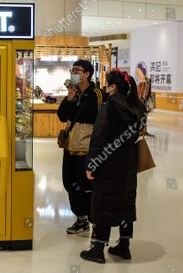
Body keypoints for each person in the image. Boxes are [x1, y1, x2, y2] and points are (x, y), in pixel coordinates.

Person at [80, 70, 146, 264]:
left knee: (103, 202)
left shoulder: (108, 108)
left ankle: (98, 249)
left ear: (113, 86)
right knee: (126, 201)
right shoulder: (137, 107)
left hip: (108, 163)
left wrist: (91, 164)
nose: (106, 87)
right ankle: (124, 247)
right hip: (128, 163)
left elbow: (98, 139)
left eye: (108, 84)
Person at [57, 60, 104, 235]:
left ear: (87, 74)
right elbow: (61, 116)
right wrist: (69, 98)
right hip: (70, 147)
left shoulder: (96, 94)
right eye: (73, 70)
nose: (74, 73)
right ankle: (81, 219)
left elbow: (102, 122)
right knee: (69, 183)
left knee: (86, 187)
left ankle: (95, 223)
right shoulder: (73, 92)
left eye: (77, 70)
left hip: (87, 150)